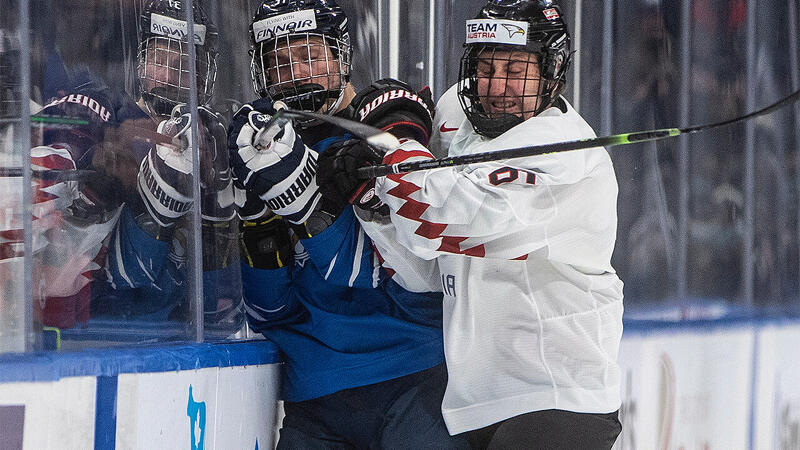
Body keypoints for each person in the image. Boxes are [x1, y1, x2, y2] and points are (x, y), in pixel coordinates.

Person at [318, 1, 624, 448]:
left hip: (557, 397)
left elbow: (442, 219)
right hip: (471, 404)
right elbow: (426, 271)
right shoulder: (456, 116)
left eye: (515, 70)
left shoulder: (564, 155)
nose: (497, 86)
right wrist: (372, 204)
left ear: (552, 71)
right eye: (485, 68)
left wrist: (392, 150)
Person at [228, 1, 468, 448]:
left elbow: (418, 277)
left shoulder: (378, 130)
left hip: (416, 379)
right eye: (279, 62)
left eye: (310, 55)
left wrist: (306, 199)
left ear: (341, 57)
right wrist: (257, 222)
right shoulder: (256, 152)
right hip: (316, 395)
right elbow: (268, 311)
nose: (297, 73)